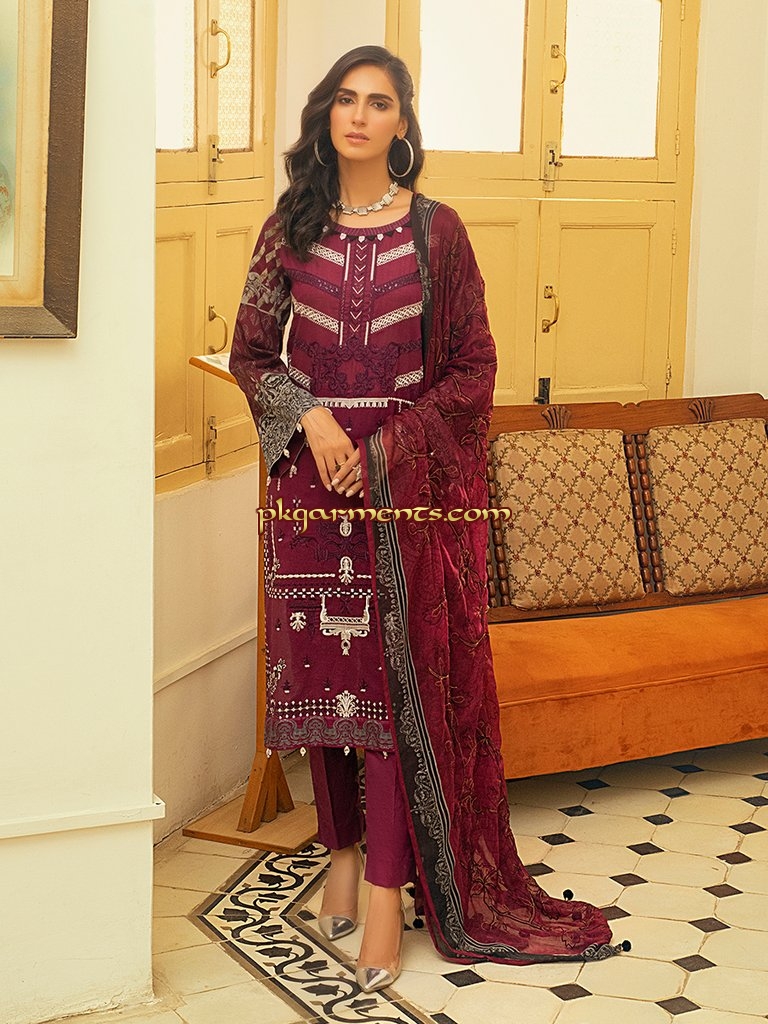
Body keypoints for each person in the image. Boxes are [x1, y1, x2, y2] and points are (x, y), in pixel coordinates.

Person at [230, 44, 626, 994]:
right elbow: (250, 353)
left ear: (402, 124)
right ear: (327, 114)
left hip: (401, 502)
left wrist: (386, 447)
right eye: (345, 100)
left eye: (379, 103)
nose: (358, 116)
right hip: (308, 494)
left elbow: (473, 370)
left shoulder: (437, 233)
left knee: (389, 703)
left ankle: (384, 896)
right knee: (324, 692)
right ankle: (340, 859)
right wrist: (312, 419)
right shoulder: (289, 227)